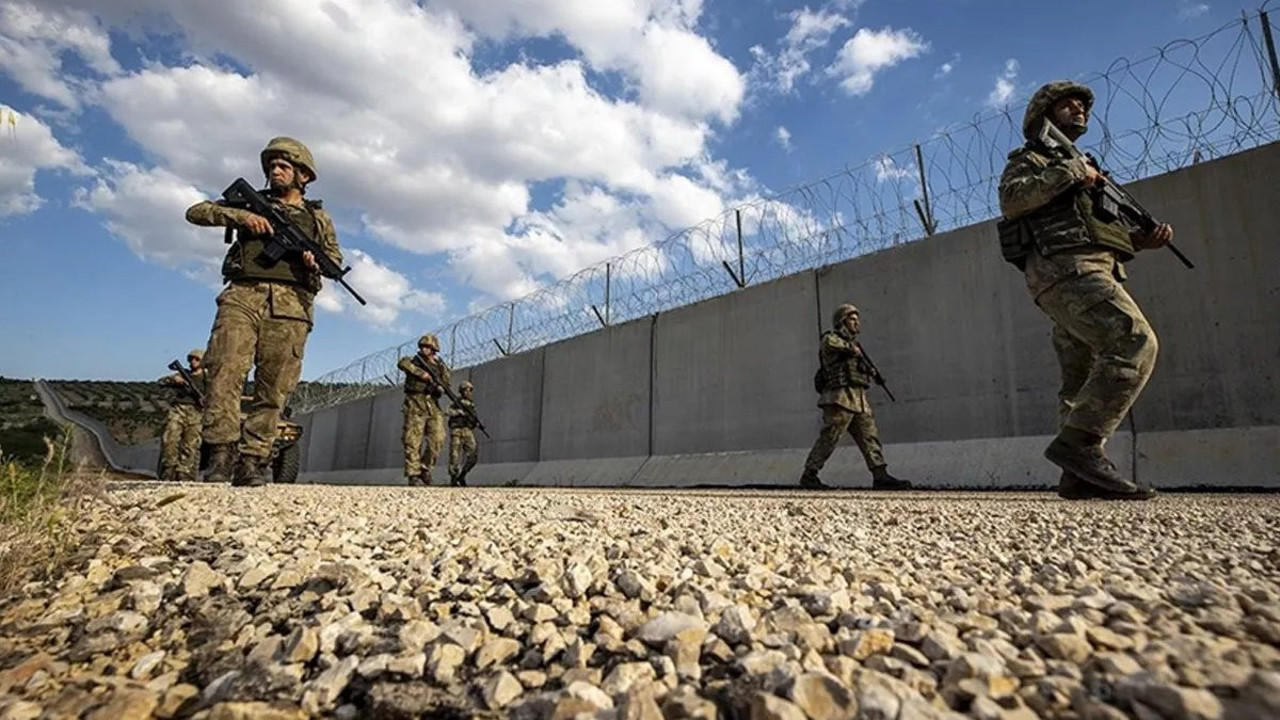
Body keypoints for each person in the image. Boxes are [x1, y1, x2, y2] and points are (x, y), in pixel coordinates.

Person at [997, 81, 1169, 500]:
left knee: (1079, 378)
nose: (1079, 111)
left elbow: (1094, 231)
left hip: (1089, 268)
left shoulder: (1087, 167)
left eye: (1083, 107)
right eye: (1068, 105)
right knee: (1133, 341)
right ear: (1044, 115)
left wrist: (1138, 241)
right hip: (1065, 270)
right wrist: (1075, 172)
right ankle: (1081, 445)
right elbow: (1013, 199)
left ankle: (1078, 476)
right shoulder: (1033, 158)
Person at [184, 137, 342, 486]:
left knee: (275, 385)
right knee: (224, 369)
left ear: (304, 175)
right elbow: (196, 211)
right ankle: (221, 455)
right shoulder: (252, 204)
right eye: (272, 165)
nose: (276, 170)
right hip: (243, 294)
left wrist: (315, 263)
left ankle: (254, 460)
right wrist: (242, 217)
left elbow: (334, 260)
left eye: (284, 166)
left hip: (291, 304)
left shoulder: (318, 219)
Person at [800, 304, 912, 491]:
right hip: (840, 398)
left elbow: (858, 367)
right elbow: (830, 344)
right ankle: (809, 475)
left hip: (858, 399)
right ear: (842, 322)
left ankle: (880, 474)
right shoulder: (832, 339)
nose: (856, 322)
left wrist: (870, 372)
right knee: (830, 437)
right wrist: (851, 349)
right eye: (852, 319)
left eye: (857, 319)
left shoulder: (855, 347)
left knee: (870, 437)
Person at [398, 334, 451, 485]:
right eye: (422, 346)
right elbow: (402, 363)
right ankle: (413, 473)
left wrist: (440, 387)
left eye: (427, 347)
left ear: (434, 348)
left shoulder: (440, 365)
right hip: (415, 401)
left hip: (432, 403)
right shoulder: (413, 361)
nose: (423, 349)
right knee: (412, 439)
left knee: (438, 437)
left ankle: (425, 467)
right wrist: (422, 374)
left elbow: (446, 382)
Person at [157, 349, 207, 482]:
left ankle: (184, 472)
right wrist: (174, 379)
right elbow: (160, 382)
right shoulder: (183, 374)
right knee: (170, 440)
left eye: (197, 359)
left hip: (196, 413)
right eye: (191, 359)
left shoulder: (208, 378)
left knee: (190, 445)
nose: (193, 362)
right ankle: (169, 469)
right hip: (178, 410)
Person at [447, 381, 480, 486]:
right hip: (456, 430)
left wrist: (476, 423)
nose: (469, 392)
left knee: (473, 454)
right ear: (462, 391)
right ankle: (453, 478)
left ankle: (462, 475)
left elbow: (473, 418)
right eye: (467, 390)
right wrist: (458, 412)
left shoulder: (471, 404)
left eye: (470, 390)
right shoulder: (456, 402)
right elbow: (447, 411)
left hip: (467, 430)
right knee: (454, 455)